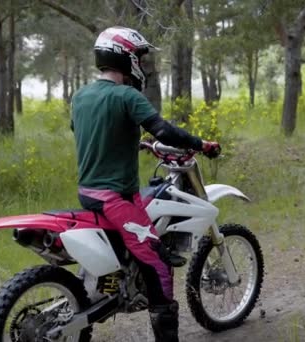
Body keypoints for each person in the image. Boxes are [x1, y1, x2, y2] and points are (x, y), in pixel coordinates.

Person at [70, 27, 220, 342]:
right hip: (115, 200)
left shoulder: (81, 95)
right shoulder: (127, 95)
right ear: (125, 57)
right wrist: (201, 144)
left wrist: (136, 143)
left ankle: (112, 285)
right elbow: (163, 130)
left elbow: (95, 132)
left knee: (128, 245)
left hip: (89, 194)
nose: (142, 63)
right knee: (159, 265)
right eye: (139, 56)